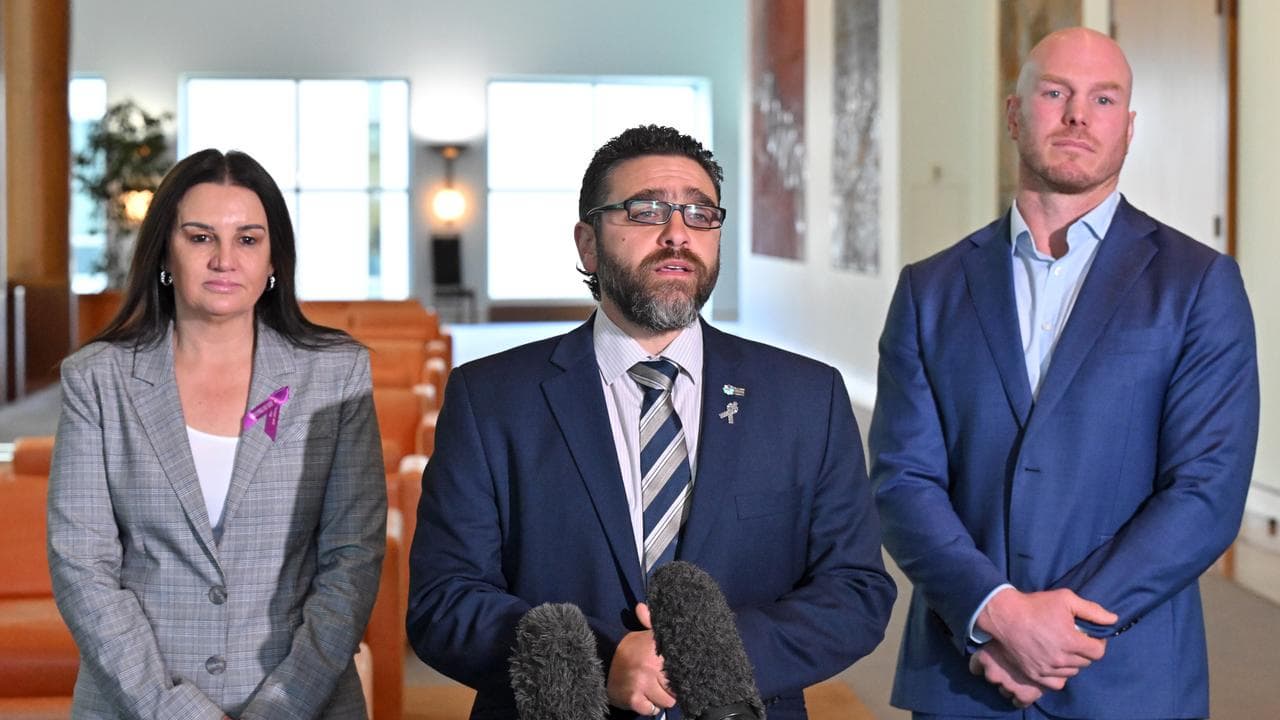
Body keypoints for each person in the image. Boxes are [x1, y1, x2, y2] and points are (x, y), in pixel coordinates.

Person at [407, 124, 896, 719]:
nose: (676, 234)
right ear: (588, 244)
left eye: (699, 213)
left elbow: (855, 590)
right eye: (645, 212)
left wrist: (708, 661)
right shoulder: (491, 399)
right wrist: (596, 662)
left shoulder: (806, 397)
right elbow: (443, 601)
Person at [870, 27, 1259, 720]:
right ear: (1016, 113)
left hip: (1126, 678)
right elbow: (903, 481)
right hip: (967, 674)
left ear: (1128, 127)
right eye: (1056, 93)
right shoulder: (929, 290)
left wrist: (1058, 634)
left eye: (1103, 99)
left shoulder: (1198, 285)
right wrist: (997, 616)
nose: (1079, 115)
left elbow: (1206, 492)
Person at [47, 149, 387, 719]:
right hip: (137, 703)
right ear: (165, 252)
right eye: (201, 238)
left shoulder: (335, 374)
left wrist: (282, 707)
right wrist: (175, 711)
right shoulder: (97, 379)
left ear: (275, 257)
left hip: (305, 701)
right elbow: (82, 565)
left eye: (248, 240)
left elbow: (352, 558)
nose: (225, 259)